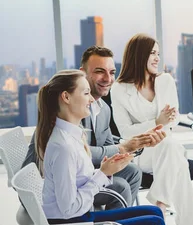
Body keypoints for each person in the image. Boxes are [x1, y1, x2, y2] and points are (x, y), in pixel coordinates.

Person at [37, 69, 184, 225]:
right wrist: (102, 175)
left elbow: (77, 186)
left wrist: (110, 167)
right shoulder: (64, 146)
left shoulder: (72, 135)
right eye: (85, 93)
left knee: (155, 212)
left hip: (80, 224)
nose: (91, 98)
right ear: (66, 97)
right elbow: (68, 209)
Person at [23, 46, 156, 212]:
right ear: (82, 74)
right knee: (120, 185)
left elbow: (109, 149)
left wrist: (135, 145)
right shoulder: (70, 112)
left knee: (133, 172)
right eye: (100, 71)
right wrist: (123, 148)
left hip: (79, 171)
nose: (108, 79)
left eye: (112, 72)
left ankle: (119, 222)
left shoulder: (104, 109)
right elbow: (73, 152)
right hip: (50, 184)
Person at [111, 34, 193, 225]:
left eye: (158, 53)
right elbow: (125, 132)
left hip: (165, 145)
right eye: (152, 53)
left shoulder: (165, 81)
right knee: (175, 155)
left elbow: (172, 120)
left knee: (170, 148)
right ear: (139, 55)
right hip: (140, 153)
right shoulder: (119, 90)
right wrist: (156, 123)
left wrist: (160, 126)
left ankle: (159, 207)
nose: (157, 57)